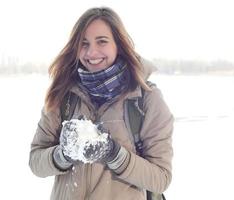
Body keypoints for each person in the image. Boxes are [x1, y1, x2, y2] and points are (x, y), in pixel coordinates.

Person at [29, 6, 173, 200]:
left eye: (102, 41)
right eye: (84, 43)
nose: (91, 52)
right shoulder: (63, 95)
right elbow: (36, 162)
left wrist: (114, 154)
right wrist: (63, 154)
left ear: (119, 45)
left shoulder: (145, 98)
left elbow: (160, 178)